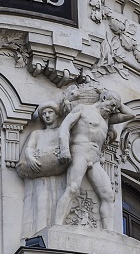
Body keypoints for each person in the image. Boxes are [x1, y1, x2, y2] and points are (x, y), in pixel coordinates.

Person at [54, 84, 135, 229]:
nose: (112, 110)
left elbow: (131, 115)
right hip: (80, 152)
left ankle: (109, 232)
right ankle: (57, 225)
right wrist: (64, 148)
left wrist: (116, 101)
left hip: (95, 159)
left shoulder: (107, 119)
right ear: (103, 98)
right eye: (111, 106)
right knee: (73, 188)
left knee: (108, 195)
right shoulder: (83, 109)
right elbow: (65, 126)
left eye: (114, 108)